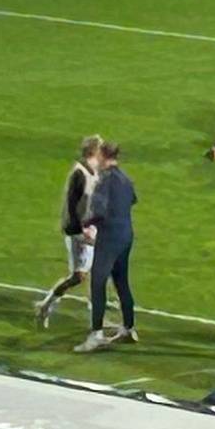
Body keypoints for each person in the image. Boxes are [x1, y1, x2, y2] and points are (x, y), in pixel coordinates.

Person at [78, 141, 139, 352]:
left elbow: (99, 211)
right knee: (122, 281)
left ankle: (96, 335)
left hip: (109, 237)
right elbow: (132, 200)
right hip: (126, 235)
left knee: (98, 282)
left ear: (103, 156)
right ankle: (129, 328)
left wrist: (85, 223)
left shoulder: (104, 180)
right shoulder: (126, 179)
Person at [36, 136, 102, 328]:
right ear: (94, 152)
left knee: (99, 267)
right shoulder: (79, 174)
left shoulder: (94, 172)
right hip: (76, 231)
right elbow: (72, 206)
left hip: (90, 228)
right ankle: (45, 305)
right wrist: (81, 229)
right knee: (78, 276)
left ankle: (95, 311)